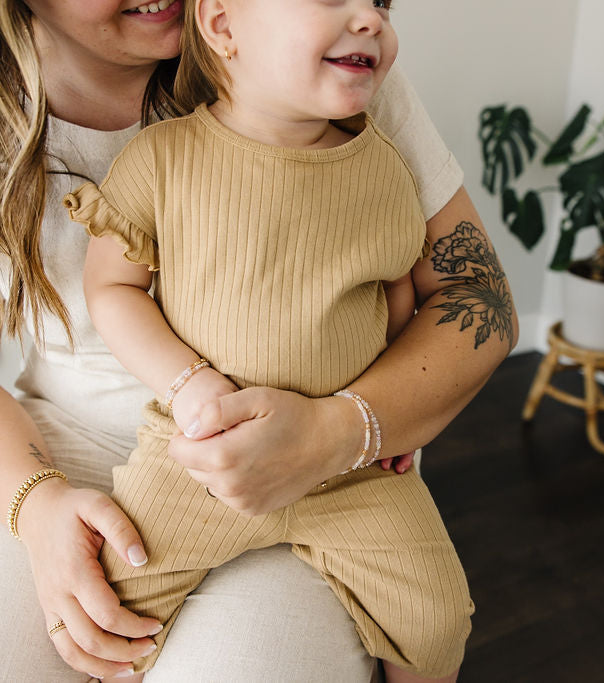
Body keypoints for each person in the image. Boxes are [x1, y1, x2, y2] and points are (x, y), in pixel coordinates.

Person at [0, 0, 517, 680]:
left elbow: (471, 296)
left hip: (317, 459)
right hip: (60, 449)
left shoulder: (326, 68)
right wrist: (37, 505)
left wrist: (346, 427)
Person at [68, 0, 475, 680]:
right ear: (222, 26)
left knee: (437, 619)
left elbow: (399, 291)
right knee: (107, 606)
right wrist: (188, 383)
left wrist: (391, 423)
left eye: (380, 2)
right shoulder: (162, 160)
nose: (370, 19)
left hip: (349, 472)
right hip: (196, 459)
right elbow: (111, 289)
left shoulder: (383, 166)